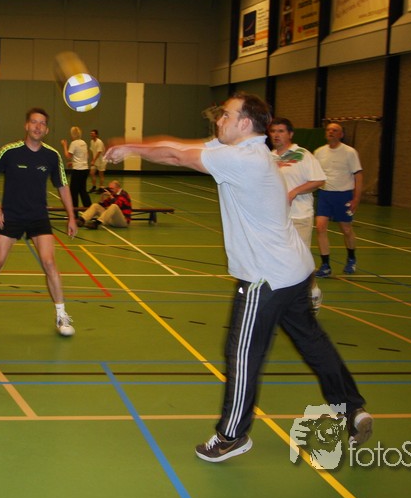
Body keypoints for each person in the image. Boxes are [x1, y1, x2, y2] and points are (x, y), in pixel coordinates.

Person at [105, 92, 372, 463]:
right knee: (313, 342)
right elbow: (181, 146)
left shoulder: (243, 159)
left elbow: (176, 157)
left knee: (243, 353)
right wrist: (134, 144)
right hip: (294, 271)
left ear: (245, 123)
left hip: (265, 277)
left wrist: (129, 148)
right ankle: (352, 408)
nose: (219, 120)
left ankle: (232, 435)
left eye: (227, 115)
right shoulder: (243, 149)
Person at [0, 108, 77, 339]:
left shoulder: (52, 156)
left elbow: (63, 186)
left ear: (46, 129)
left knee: (49, 263)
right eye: (34, 122)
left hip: (38, 216)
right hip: (12, 215)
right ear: (26, 126)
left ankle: (61, 315)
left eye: (42, 123)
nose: (38, 126)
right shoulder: (9, 151)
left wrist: (71, 216)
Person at [268, 117, 326, 314]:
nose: (276, 135)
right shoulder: (269, 157)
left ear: (290, 134)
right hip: (276, 218)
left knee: (299, 260)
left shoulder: (303, 155)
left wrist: (294, 192)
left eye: (281, 131)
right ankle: (283, 300)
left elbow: (319, 180)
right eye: (273, 131)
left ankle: (313, 292)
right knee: (277, 260)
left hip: (299, 216)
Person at [313, 122, 363, 276]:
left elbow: (358, 176)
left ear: (341, 134)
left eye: (335, 130)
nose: (331, 132)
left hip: (344, 195)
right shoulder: (319, 152)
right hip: (324, 195)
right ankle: (325, 265)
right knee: (320, 227)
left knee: (346, 229)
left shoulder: (350, 152)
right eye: (328, 130)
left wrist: (356, 198)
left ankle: (351, 259)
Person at [62, 126, 91, 216]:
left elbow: (68, 156)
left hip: (78, 170)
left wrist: (64, 145)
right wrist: (73, 162)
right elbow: (86, 156)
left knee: (73, 192)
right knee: (82, 190)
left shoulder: (74, 143)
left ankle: (75, 214)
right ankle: (90, 210)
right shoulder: (83, 142)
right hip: (85, 169)